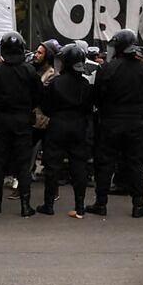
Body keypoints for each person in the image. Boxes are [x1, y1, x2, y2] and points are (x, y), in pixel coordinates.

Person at [90, 28, 143, 218]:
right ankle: (138, 204)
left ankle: (101, 203)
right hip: (136, 122)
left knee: (105, 162)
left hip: (111, 121)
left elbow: (97, 96)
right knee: (135, 162)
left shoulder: (108, 68)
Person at [37, 41, 96, 218]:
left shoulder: (56, 83)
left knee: (52, 166)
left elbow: (46, 107)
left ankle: (49, 205)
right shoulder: (86, 85)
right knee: (79, 166)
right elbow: (89, 108)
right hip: (78, 126)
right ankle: (80, 206)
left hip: (57, 126)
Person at [0, 30, 40, 215]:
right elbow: (38, 95)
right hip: (23, 120)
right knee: (24, 164)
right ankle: (25, 205)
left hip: (0, 121)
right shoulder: (29, 70)